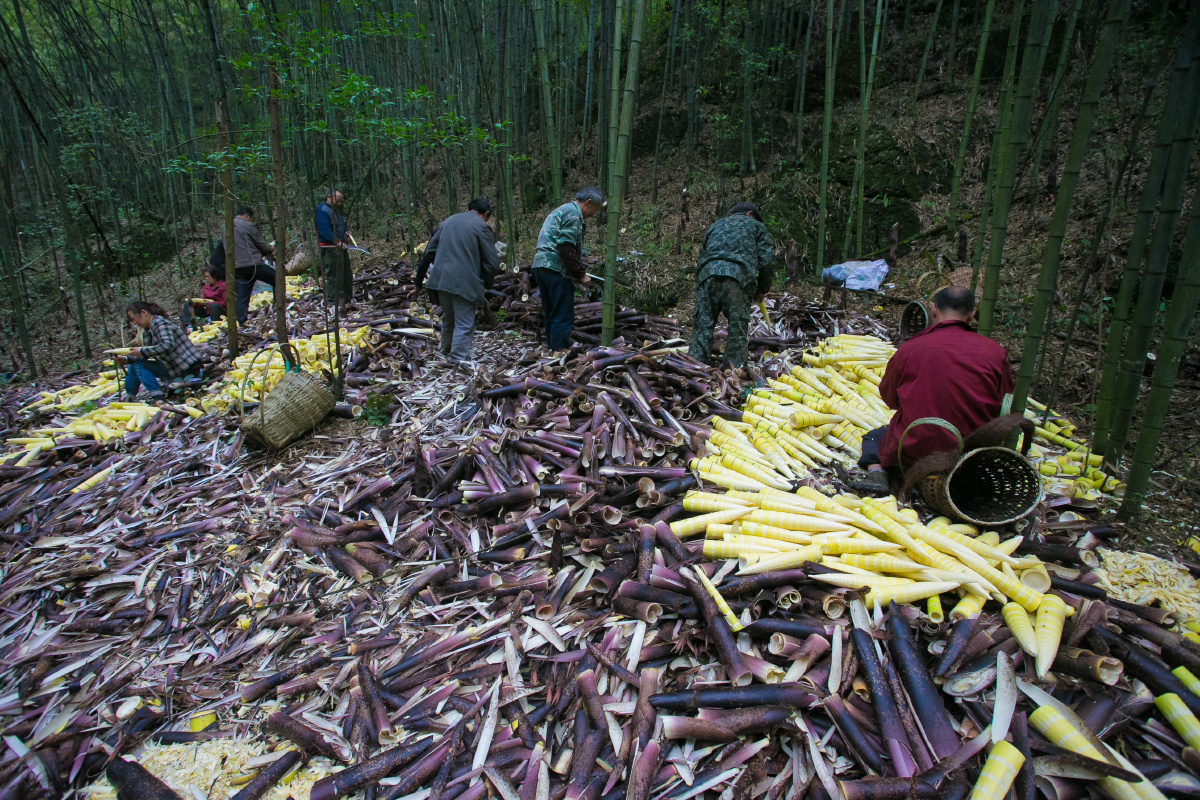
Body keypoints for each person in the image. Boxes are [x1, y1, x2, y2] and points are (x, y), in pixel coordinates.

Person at [851, 286, 1015, 494]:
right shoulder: (995, 352)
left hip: (916, 448)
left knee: (874, 438)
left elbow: (890, 399)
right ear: (973, 314)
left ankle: (877, 474)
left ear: (934, 309)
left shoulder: (910, 349)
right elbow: (1004, 402)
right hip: (972, 451)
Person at [687, 202, 774, 368]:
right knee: (737, 330)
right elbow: (766, 261)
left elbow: (702, 257)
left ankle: (696, 370)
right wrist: (762, 289)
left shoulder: (715, 225)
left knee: (702, 327)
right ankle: (733, 372)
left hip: (708, 276)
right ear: (750, 214)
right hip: (738, 279)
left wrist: (701, 283)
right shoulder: (757, 227)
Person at [419, 198, 501, 366]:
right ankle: (457, 360)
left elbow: (429, 252)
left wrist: (443, 264)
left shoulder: (447, 222)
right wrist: (484, 283)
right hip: (465, 281)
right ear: (486, 214)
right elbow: (492, 264)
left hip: (441, 279)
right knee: (464, 321)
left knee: (449, 317)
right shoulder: (481, 226)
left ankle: (446, 350)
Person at [531, 187, 605, 351]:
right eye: (595, 209)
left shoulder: (563, 209)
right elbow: (565, 246)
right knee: (562, 315)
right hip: (555, 267)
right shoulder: (573, 214)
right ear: (588, 203)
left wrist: (573, 272)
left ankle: (551, 351)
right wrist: (581, 273)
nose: (593, 214)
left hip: (541, 265)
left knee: (552, 312)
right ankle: (559, 353)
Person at [119, 301, 204, 400]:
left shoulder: (160, 324)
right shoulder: (147, 331)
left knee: (139, 364)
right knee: (134, 363)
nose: (134, 322)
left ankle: (158, 398)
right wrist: (126, 359)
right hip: (173, 368)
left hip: (186, 369)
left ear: (143, 313)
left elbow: (167, 345)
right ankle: (130, 395)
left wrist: (141, 351)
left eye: (134, 318)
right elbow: (144, 354)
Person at [230, 206, 276, 324]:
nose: (251, 221)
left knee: (242, 296)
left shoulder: (227, 227)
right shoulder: (247, 226)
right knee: (277, 278)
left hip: (236, 267)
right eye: (251, 218)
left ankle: (241, 322)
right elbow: (261, 245)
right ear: (246, 215)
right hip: (253, 265)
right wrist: (270, 249)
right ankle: (278, 308)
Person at [316, 188, 353, 306]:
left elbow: (340, 225)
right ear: (329, 197)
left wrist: (346, 231)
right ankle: (333, 302)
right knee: (334, 275)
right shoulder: (322, 210)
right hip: (330, 248)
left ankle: (347, 299)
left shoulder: (336, 211)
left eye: (341, 201)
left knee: (346, 273)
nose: (339, 203)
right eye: (337, 201)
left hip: (341, 247)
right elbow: (324, 231)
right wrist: (337, 242)